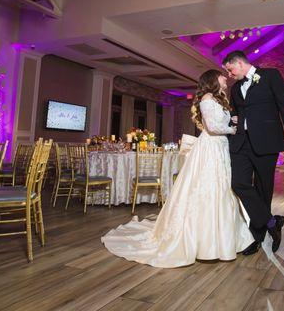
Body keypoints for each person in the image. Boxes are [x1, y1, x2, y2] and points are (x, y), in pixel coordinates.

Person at [101, 69, 253, 267]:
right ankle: (204, 242)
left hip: (220, 148)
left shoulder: (219, 98)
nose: (226, 78)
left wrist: (231, 120)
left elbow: (218, 122)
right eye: (222, 76)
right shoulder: (207, 98)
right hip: (210, 148)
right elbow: (212, 127)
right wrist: (233, 128)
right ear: (214, 79)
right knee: (209, 188)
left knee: (222, 189)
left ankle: (223, 239)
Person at [223, 51, 284, 255]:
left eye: (230, 70)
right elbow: (236, 112)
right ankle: (272, 222)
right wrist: (233, 118)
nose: (230, 75)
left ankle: (257, 235)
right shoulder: (236, 88)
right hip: (241, 143)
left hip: (266, 141)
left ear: (239, 63)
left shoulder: (271, 76)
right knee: (238, 183)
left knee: (264, 188)